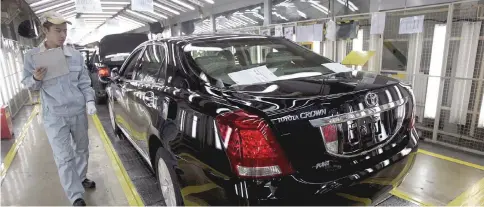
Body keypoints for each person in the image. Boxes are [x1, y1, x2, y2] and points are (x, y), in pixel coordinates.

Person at [21, 11, 96, 206]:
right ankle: (75, 196)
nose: (62, 35)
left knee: (82, 150)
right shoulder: (32, 57)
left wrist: (89, 101)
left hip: (78, 111)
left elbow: (84, 82)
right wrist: (36, 78)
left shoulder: (75, 55)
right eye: (57, 31)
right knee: (64, 156)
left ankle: (80, 177)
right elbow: (29, 85)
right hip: (54, 115)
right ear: (45, 31)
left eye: (65, 31)